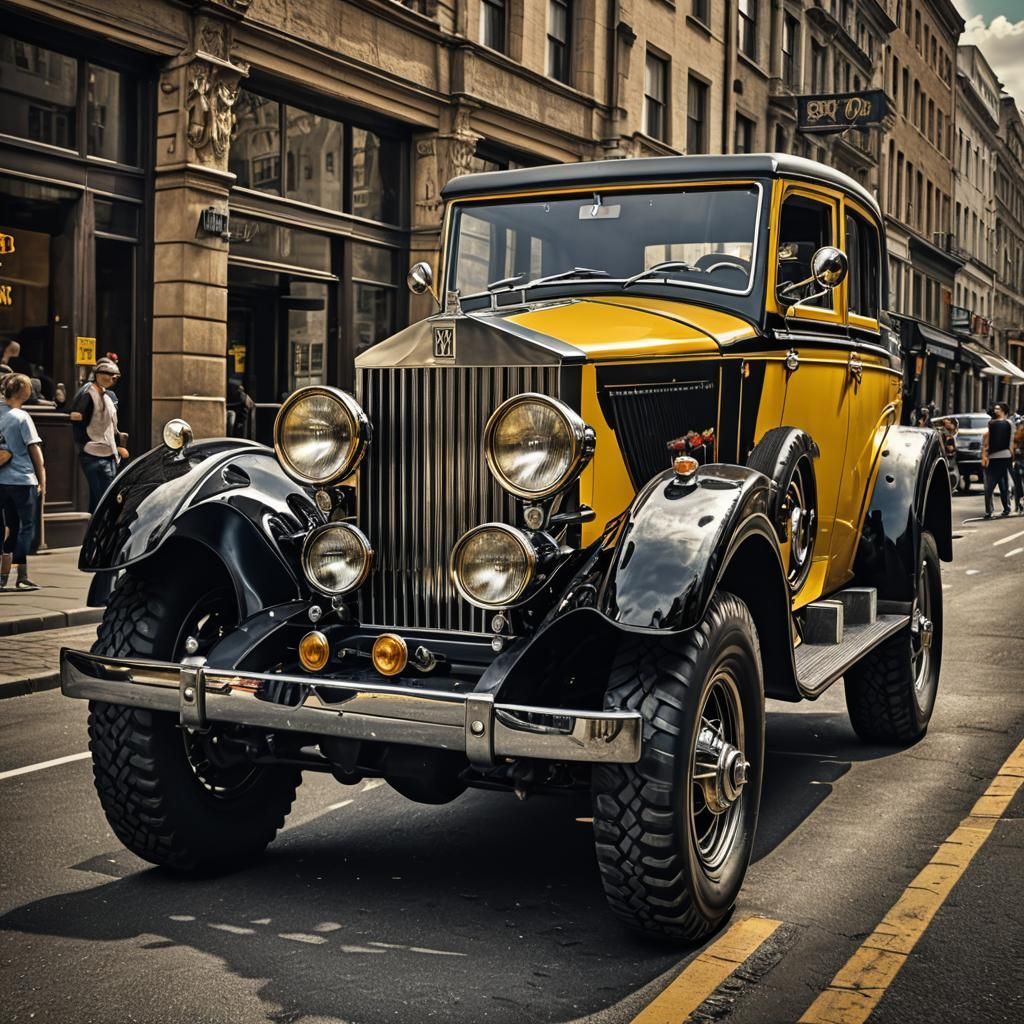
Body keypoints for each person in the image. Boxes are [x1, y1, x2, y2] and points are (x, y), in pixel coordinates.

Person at [0, 373, 46, 590]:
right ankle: (21, 576)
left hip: (2, 481)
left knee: (11, 526)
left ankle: (4, 575)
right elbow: (34, 450)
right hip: (22, 478)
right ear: (23, 392)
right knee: (27, 528)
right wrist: (42, 479)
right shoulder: (21, 417)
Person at [70, 357, 129, 512]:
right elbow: (77, 419)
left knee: (107, 496)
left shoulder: (109, 397)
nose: (113, 379)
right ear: (98, 375)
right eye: (109, 374)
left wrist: (118, 445)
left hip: (108, 452)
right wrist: (84, 444)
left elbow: (112, 426)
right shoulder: (88, 394)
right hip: (92, 451)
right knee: (99, 497)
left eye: (115, 376)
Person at [981, 402, 1012, 519]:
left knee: (1001, 485)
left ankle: (1004, 509)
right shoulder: (989, 430)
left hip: (1002, 459)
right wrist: (985, 458)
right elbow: (985, 446)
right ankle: (991, 511)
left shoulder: (1006, 425)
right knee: (992, 486)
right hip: (994, 460)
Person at [1011, 414, 1024, 515]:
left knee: (1018, 484)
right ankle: (1017, 505)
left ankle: (1018, 505)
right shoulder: (1016, 435)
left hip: (1020, 460)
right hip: (1019, 461)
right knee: (1017, 484)